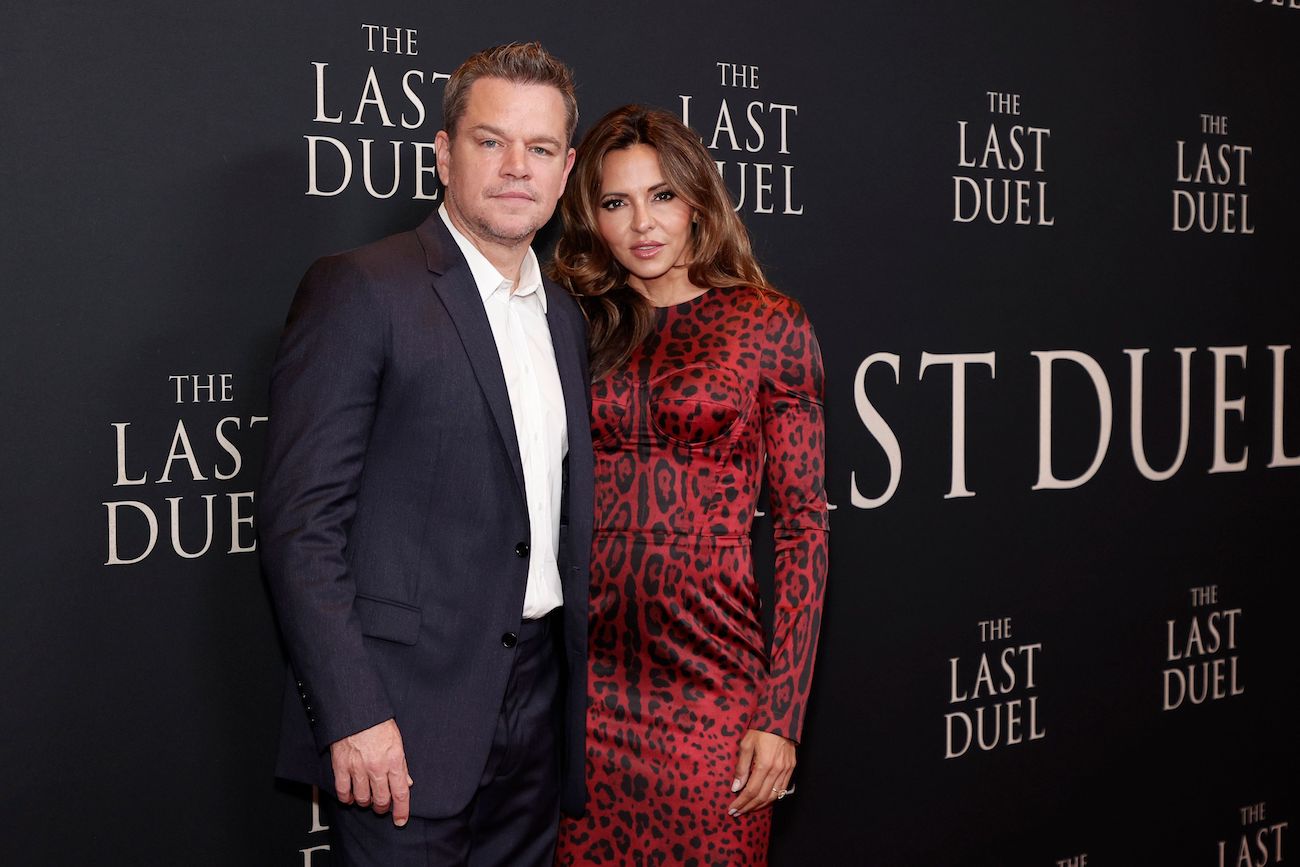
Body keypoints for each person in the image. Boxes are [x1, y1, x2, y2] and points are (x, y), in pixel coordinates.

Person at [258, 42, 593, 867]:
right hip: (401, 719)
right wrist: (353, 712)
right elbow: (302, 526)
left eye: (540, 148)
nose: (517, 167)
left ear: (565, 169)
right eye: (490, 141)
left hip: (539, 708)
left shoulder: (563, 317)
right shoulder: (363, 288)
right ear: (444, 153)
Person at [550, 105, 829, 866]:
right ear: (592, 216)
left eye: (662, 195)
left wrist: (783, 711)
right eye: (616, 202)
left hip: (713, 683)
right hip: (589, 689)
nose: (642, 222)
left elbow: (804, 527)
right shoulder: (572, 319)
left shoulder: (770, 323)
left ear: (699, 199)